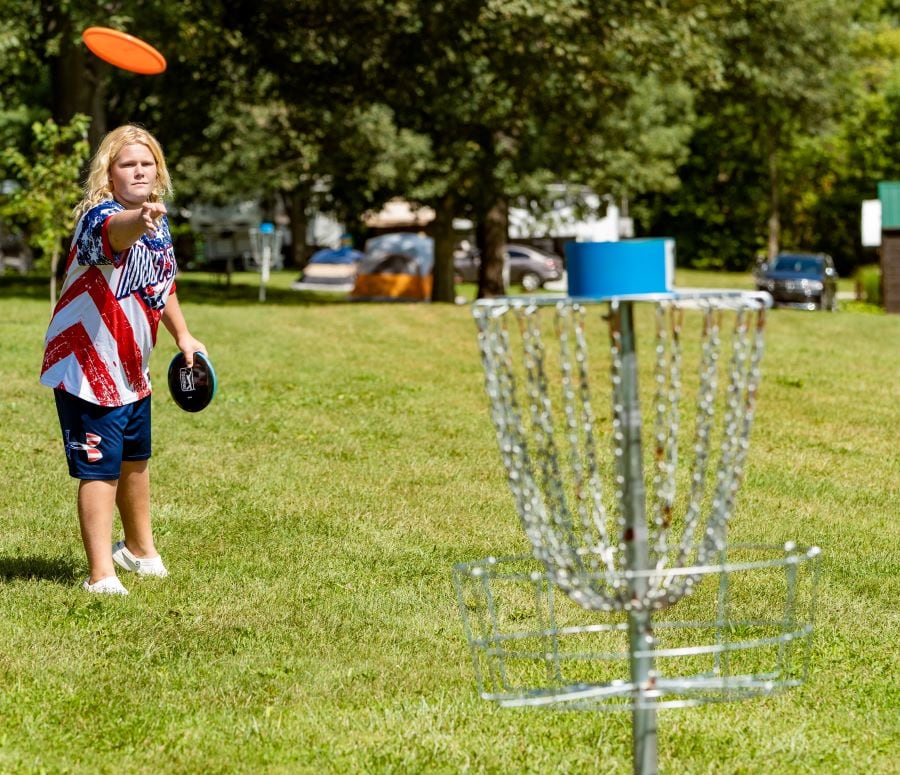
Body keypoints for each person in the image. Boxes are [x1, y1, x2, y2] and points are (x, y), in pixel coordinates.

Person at [40, 124, 207, 595]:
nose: (138, 170)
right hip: (87, 367)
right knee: (100, 467)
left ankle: (139, 549)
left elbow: (161, 284)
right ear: (109, 174)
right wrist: (141, 221)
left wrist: (183, 334)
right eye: (127, 164)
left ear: (158, 172)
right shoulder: (101, 217)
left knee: (136, 458)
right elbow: (118, 234)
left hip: (131, 367)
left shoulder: (158, 223)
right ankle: (101, 575)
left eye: (146, 163)